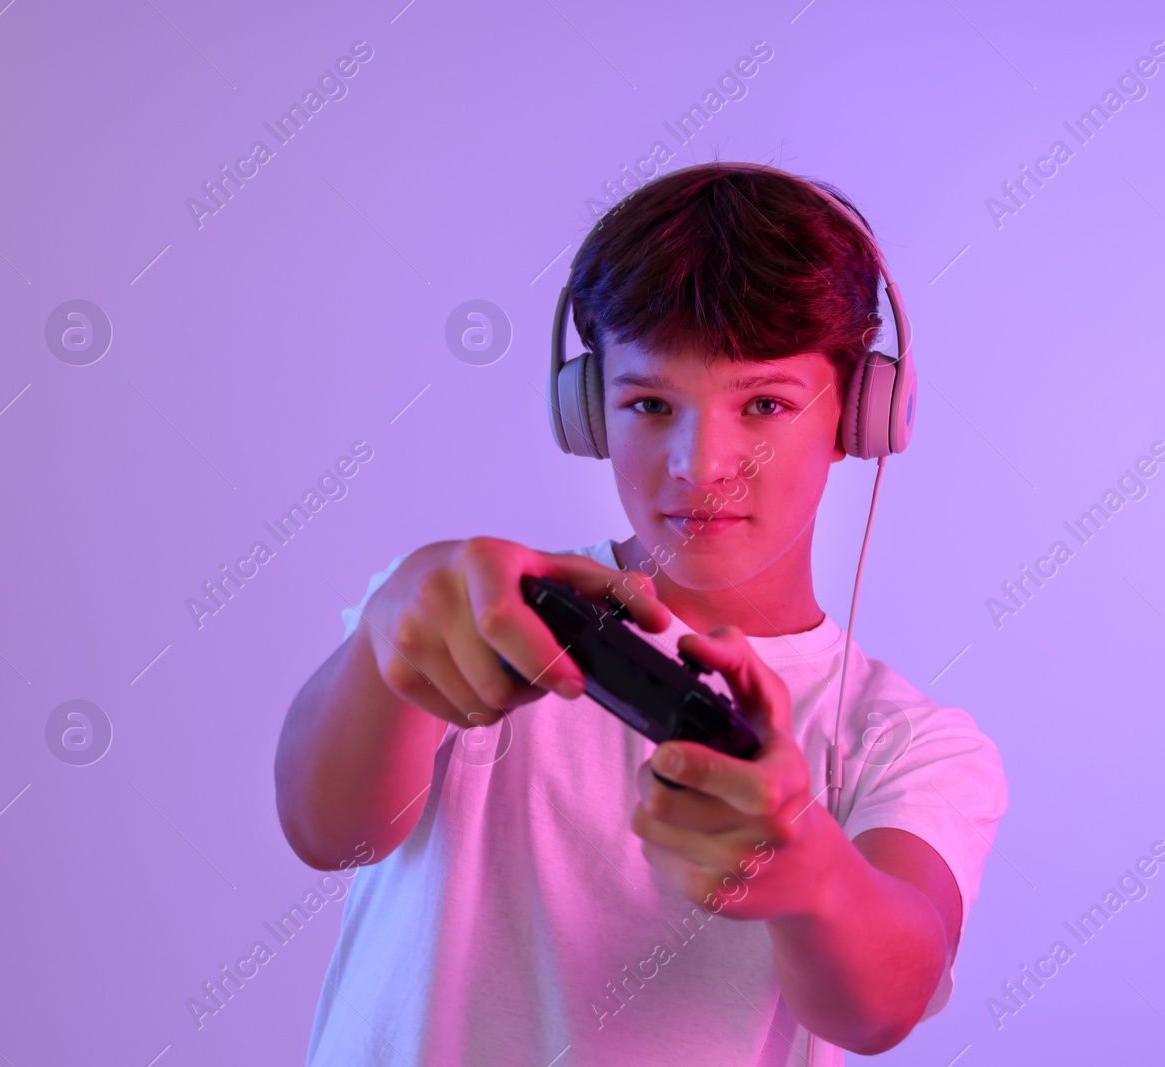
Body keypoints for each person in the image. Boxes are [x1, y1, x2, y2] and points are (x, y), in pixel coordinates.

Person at [275, 162, 1008, 1066]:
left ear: (859, 413)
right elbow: (328, 831)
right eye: (650, 404)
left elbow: (883, 1004)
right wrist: (384, 646)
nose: (700, 464)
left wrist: (810, 873)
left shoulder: (904, 742)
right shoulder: (472, 610)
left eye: (766, 404)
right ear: (589, 412)